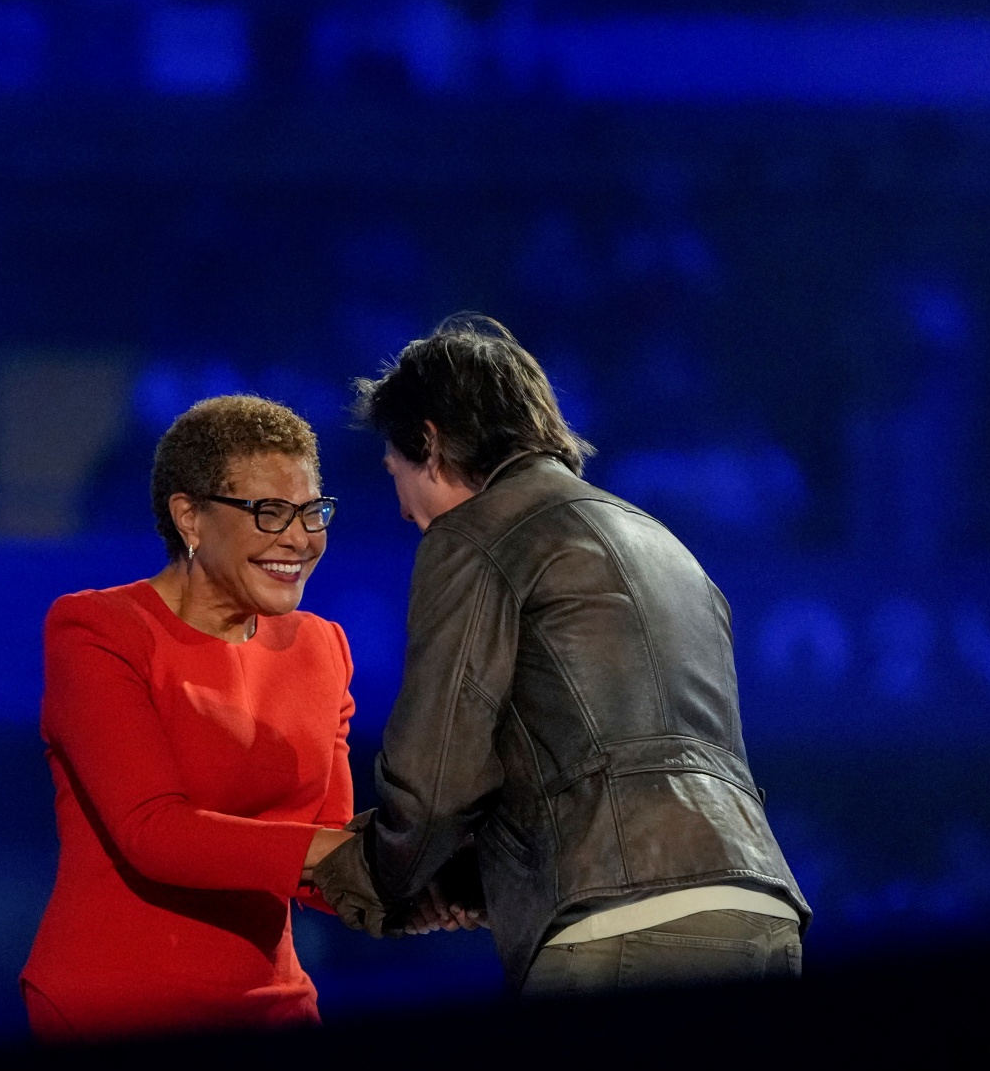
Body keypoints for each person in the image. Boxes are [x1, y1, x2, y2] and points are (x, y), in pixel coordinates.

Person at [311, 315, 810, 996]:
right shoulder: (667, 546)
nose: (403, 509)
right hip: (760, 908)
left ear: (429, 441)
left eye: (396, 471)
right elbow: (594, 761)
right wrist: (474, 880)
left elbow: (433, 786)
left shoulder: (474, 534)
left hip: (618, 925)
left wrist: (370, 880)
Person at [19, 395, 358, 1041]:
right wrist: (344, 854)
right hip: (117, 1009)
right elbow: (152, 830)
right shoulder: (96, 630)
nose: (300, 537)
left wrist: (427, 876)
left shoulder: (322, 647)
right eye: (270, 512)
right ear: (190, 517)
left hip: (274, 1004)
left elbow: (327, 864)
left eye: (313, 511)